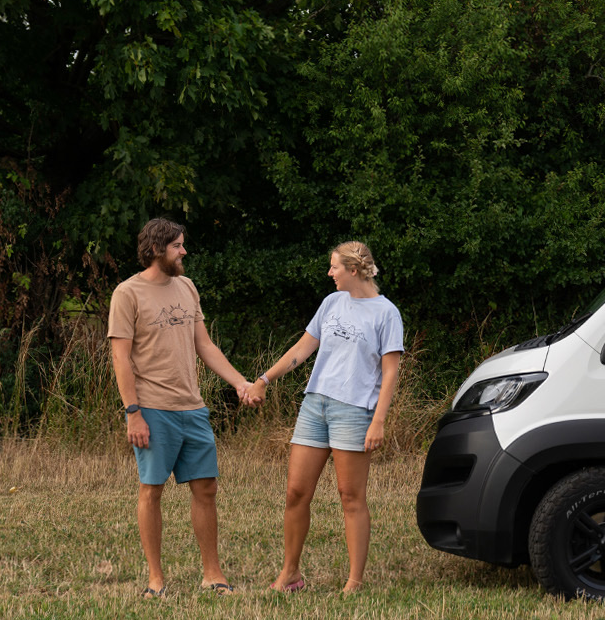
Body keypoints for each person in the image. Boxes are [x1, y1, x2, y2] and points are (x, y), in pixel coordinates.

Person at [246, 241, 404, 594]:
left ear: (353, 270)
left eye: (334, 267)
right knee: (296, 492)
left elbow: (390, 372)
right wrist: (263, 380)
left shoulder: (386, 313)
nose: (329, 273)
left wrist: (378, 420)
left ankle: (355, 581)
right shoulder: (332, 303)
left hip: (355, 410)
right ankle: (290, 574)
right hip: (315, 405)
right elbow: (303, 348)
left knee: (350, 496)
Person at [108, 217, 253, 598]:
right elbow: (120, 358)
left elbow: (204, 345)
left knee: (206, 488)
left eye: (183, 245)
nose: (184, 251)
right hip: (152, 409)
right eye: (177, 246)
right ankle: (156, 580)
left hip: (193, 408)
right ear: (156, 249)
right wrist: (133, 412)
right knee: (151, 490)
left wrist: (239, 381)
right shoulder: (128, 293)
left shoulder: (187, 287)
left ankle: (212, 574)